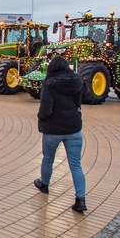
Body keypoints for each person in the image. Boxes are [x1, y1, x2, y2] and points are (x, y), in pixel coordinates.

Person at [34, 56, 88, 212]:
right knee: (76, 165)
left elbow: (46, 109)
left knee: (48, 158)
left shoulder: (49, 84)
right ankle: (80, 199)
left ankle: (44, 184)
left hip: (53, 129)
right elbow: (85, 95)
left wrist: (41, 118)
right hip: (74, 128)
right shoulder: (77, 81)